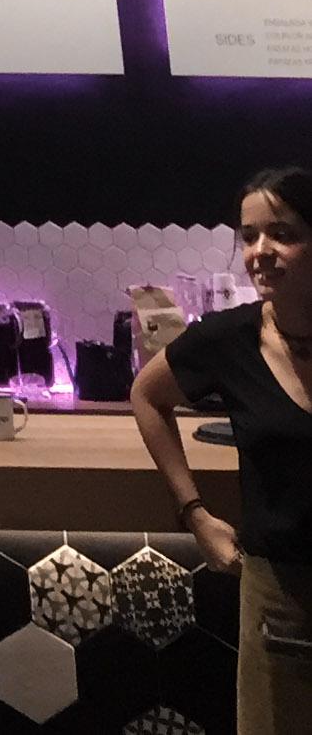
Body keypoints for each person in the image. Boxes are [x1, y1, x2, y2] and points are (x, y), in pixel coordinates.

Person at [132, 166, 312, 735]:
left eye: (282, 234)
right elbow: (146, 396)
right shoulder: (229, 338)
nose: (260, 252)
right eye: (249, 236)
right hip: (280, 595)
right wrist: (195, 514)